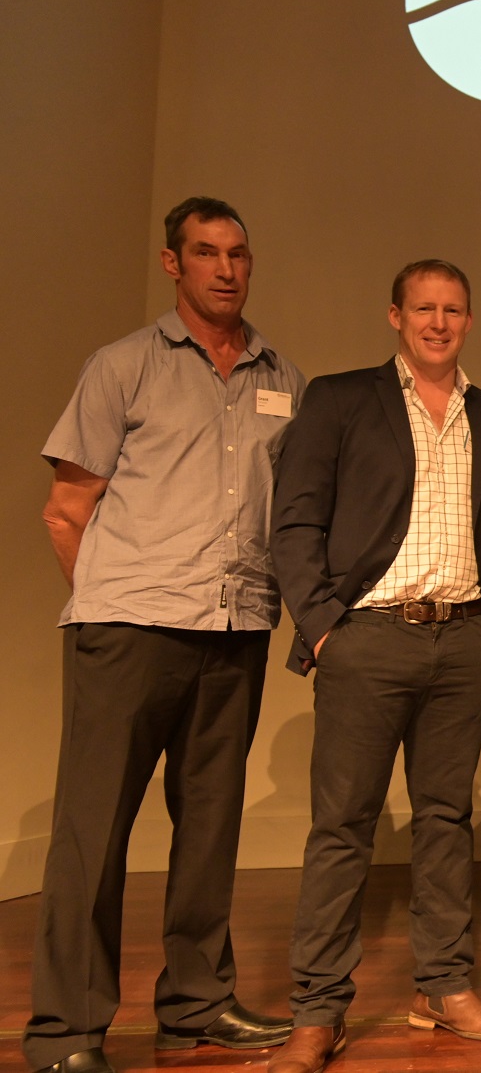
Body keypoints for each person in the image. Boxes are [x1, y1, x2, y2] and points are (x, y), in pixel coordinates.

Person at [25, 197, 300, 1073]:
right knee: (93, 834)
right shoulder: (123, 366)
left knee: (210, 827)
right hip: (131, 628)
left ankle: (195, 1004)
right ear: (172, 263)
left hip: (235, 626)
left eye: (239, 253)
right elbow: (66, 510)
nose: (226, 268)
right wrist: (115, 601)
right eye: (206, 252)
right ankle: (67, 1030)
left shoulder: (280, 375)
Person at [266, 260, 481, 1073]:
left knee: (447, 819)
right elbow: (295, 518)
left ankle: (443, 987)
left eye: (452, 310)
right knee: (342, 826)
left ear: (469, 321)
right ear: (395, 316)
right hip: (368, 637)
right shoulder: (342, 399)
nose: (438, 322)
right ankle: (317, 1010)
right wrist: (325, 626)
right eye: (423, 308)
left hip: (466, 639)